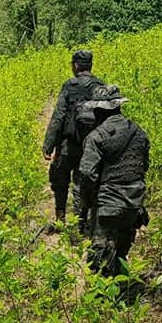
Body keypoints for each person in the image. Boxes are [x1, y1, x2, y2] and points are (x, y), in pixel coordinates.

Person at [77, 85, 150, 277]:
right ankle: (122, 293)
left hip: (107, 205)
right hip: (134, 203)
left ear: (99, 111)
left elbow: (86, 174)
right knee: (121, 252)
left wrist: (85, 204)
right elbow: (144, 166)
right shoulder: (138, 132)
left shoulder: (97, 137)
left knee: (99, 259)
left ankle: (103, 302)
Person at [42, 49, 105, 229]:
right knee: (82, 182)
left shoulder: (70, 85)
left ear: (76, 66)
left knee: (59, 179)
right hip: (91, 145)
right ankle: (80, 224)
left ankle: (60, 220)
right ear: (90, 66)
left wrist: (49, 144)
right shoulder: (100, 85)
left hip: (68, 144)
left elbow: (59, 116)